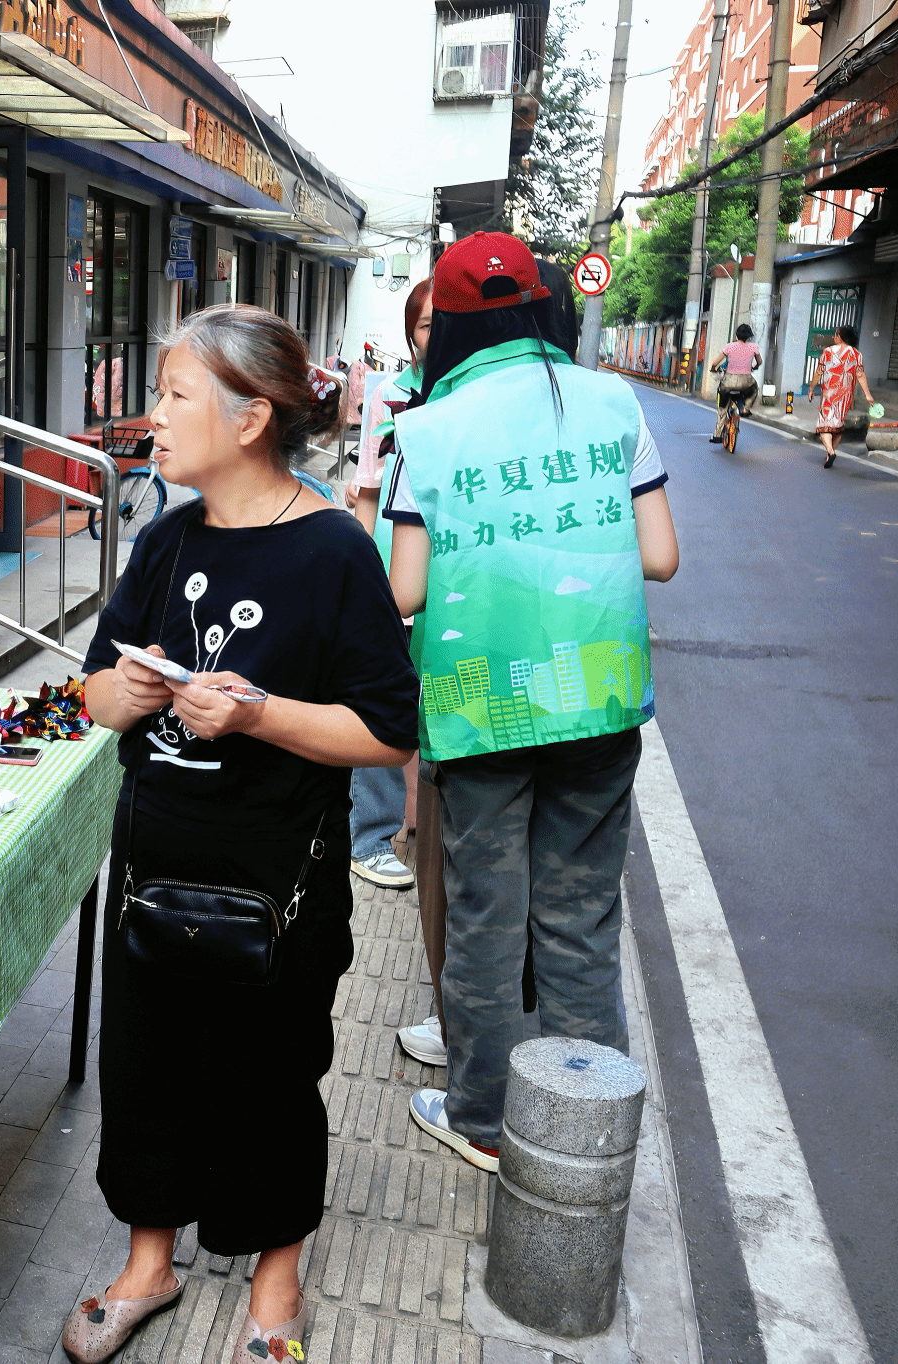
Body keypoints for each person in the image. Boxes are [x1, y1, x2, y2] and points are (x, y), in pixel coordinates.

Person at [62, 305, 419, 1364]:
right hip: (156, 861)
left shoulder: (333, 550)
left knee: (269, 1077)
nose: (154, 415)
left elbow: (387, 732)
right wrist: (125, 693)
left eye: (175, 395)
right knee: (145, 1066)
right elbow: (92, 693)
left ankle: (275, 1279)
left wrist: (257, 715)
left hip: (280, 877)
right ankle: (148, 1261)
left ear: (252, 417)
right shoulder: (166, 537)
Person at [381, 233, 681, 1173]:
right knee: (581, 917)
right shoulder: (613, 400)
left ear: (448, 325)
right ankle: (584, 1126)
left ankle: (481, 1118)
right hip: (598, 695)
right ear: (544, 308)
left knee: (487, 915)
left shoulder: (426, 429)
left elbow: (403, 591)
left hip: (479, 707)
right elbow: (661, 557)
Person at [346, 279, 432, 896]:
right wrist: (357, 571)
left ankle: (430, 818)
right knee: (381, 694)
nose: (437, 336)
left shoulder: (474, 399)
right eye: (426, 325)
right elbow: (369, 489)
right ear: (410, 334)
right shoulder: (389, 397)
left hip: (457, 571)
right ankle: (372, 837)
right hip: (392, 563)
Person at [813, 323, 874, 468]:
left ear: (840, 337)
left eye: (836, 334)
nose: (834, 336)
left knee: (824, 425)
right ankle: (829, 454)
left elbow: (819, 372)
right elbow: (860, 375)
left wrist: (811, 388)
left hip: (829, 393)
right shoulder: (857, 354)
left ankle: (830, 451)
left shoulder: (827, 351)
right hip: (845, 395)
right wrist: (868, 395)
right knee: (838, 426)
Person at [710, 322, 763, 429]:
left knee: (722, 402)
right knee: (754, 390)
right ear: (749, 336)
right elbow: (759, 361)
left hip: (728, 382)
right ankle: (745, 409)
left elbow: (715, 363)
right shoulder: (753, 347)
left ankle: (719, 430)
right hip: (746, 382)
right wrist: (755, 366)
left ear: (737, 334)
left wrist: (713, 368)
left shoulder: (729, 346)